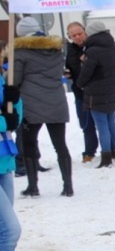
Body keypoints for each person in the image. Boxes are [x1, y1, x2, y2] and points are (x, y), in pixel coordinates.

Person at [13, 17, 74, 198]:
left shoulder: (20, 52)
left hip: (31, 105)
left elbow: (15, 81)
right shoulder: (56, 50)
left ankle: (33, 187)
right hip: (56, 101)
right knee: (60, 145)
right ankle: (68, 187)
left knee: (29, 144)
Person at [0, 84, 38, 251]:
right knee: (10, 230)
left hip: (3, 160)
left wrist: (15, 102)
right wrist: (5, 119)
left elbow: (15, 116)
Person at [77, 22, 115, 167]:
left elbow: (87, 73)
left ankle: (106, 157)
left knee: (102, 125)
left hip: (96, 93)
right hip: (112, 91)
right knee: (111, 123)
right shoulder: (113, 48)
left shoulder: (92, 51)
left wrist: (79, 83)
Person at [63, 21, 98, 164]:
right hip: (80, 93)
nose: (77, 37)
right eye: (73, 35)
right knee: (86, 124)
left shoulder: (93, 46)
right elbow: (69, 67)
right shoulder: (70, 50)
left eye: (79, 34)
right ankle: (89, 151)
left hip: (97, 92)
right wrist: (67, 73)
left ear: (85, 32)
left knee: (104, 123)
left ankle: (111, 149)